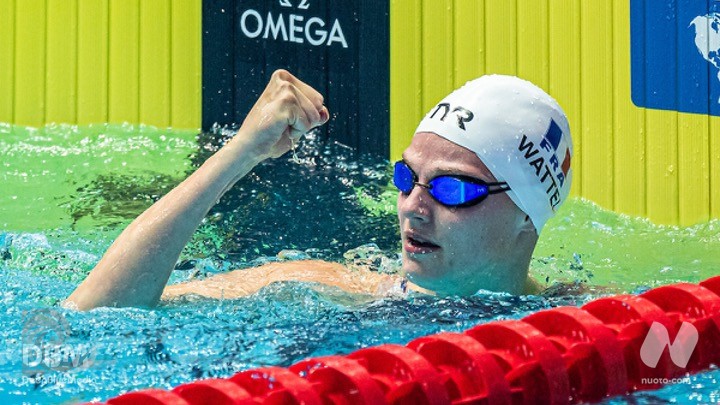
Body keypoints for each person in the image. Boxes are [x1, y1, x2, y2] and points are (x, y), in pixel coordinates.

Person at [65, 69, 573, 310]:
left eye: (453, 190)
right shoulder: (329, 287)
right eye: (405, 178)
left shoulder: (588, 318)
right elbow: (94, 313)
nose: (413, 209)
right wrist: (242, 152)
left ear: (527, 213)